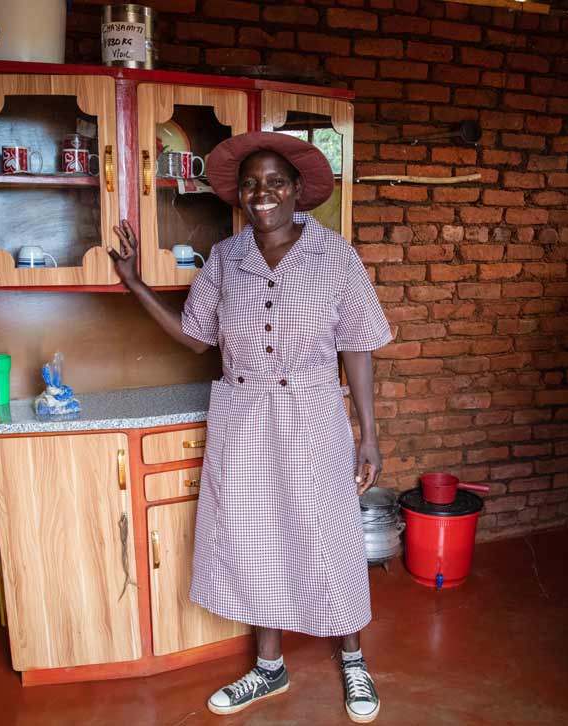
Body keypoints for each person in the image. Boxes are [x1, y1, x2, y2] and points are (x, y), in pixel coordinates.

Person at [109, 131, 393, 723]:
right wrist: (134, 281)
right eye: (252, 184)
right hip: (243, 417)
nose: (262, 193)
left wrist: (368, 434)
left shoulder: (334, 255)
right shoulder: (224, 260)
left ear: (297, 193)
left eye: (275, 182)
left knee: (327, 536)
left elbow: (359, 347)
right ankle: (269, 668)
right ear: (240, 196)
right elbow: (195, 337)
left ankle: (353, 658)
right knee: (255, 537)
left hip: (315, 412)